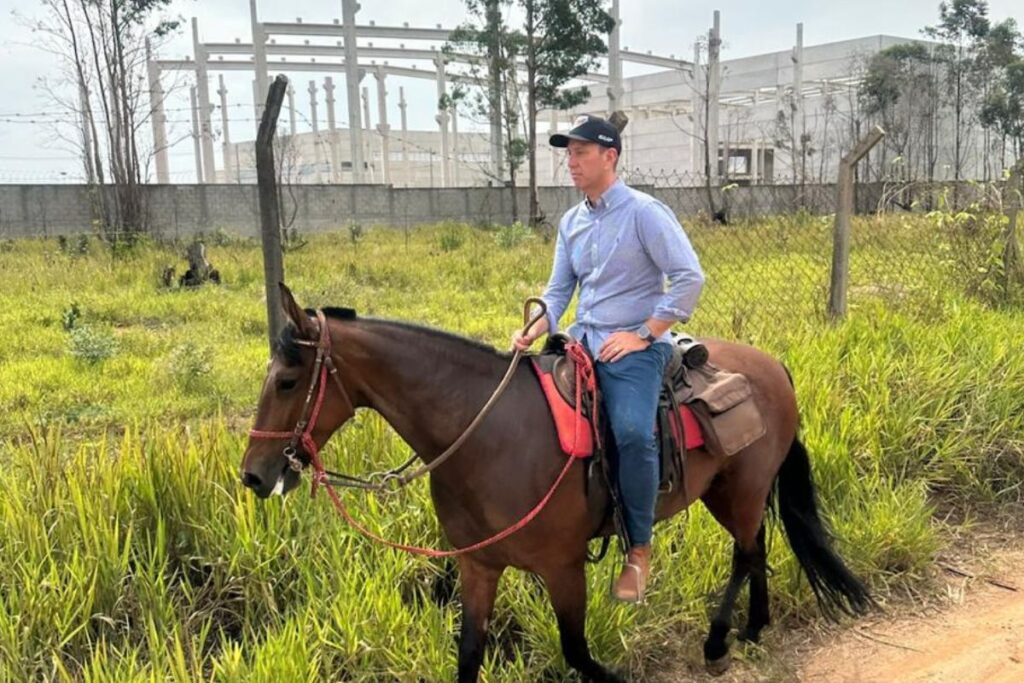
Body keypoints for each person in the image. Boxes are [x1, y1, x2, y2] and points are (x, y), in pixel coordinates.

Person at [512, 113, 704, 602]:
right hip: (580, 341)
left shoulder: (644, 213)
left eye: (580, 153)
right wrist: (537, 325)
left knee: (633, 432)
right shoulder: (572, 221)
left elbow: (688, 278)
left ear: (610, 157)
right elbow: (558, 292)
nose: (571, 163)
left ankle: (639, 549)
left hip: (632, 349)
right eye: (568, 154)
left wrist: (644, 334)